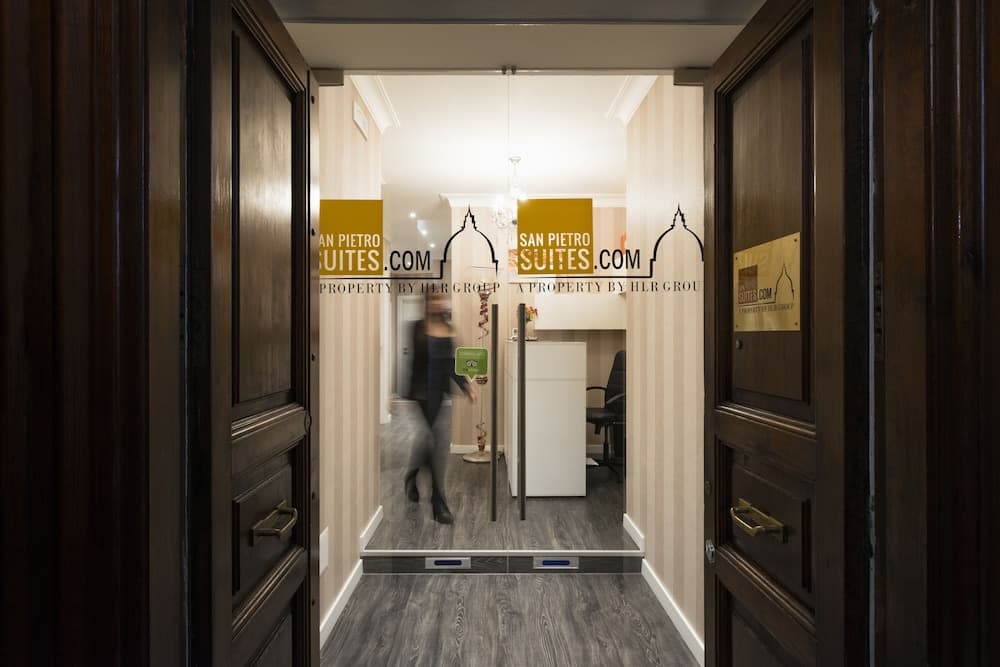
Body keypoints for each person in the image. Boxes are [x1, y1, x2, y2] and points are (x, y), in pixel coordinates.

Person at [404, 292, 478, 524]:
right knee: (431, 442)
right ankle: (437, 500)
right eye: (433, 300)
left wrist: (466, 386)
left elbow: (451, 364)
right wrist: (407, 395)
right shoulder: (417, 327)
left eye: (440, 300)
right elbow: (414, 364)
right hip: (421, 394)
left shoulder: (448, 329)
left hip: (440, 393)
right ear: (427, 303)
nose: (437, 303)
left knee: (434, 444)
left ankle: (414, 477)